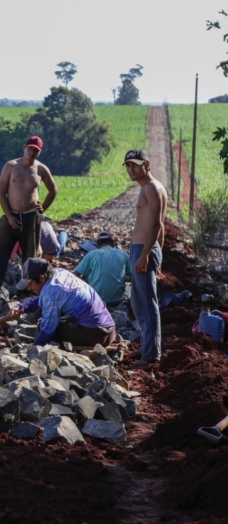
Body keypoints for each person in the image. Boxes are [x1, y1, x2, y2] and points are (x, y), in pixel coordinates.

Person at [0, 136, 58, 297]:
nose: (32, 152)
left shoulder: (41, 169)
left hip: (31, 218)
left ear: (39, 152)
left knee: (30, 256)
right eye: (30, 148)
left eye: (36, 150)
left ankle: (26, 292)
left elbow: (53, 190)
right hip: (11, 216)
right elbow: (2, 193)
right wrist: (9, 217)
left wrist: (43, 207)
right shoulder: (11, 166)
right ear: (24, 147)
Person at [124, 149, 168, 368]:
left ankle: (151, 355)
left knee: (148, 304)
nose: (131, 169)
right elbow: (159, 227)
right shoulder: (148, 188)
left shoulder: (151, 188)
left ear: (146, 164)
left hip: (144, 250)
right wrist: (157, 256)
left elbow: (157, 225)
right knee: (139, 302)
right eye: (128, 165)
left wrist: (146, 255)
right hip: (143, 249)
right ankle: (146, 345)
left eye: (135, 164)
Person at [11, 258, 116, 347]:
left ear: (41, 278)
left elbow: (48, 330)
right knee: (43, 312)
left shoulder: (51, 293)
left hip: (97, 336)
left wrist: (34, 349)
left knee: (41, 319)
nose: (29, 288)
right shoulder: (59, 272)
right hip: (108, 329)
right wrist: (22, 307)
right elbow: (44, 300)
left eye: (30, 284)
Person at [74, 230, 131, 307]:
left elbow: (76, 275)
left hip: (96, 300)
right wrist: (120, 278)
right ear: (112, 243)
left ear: (97, 244)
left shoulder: (92, 254)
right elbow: (133, 277)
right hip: (117, 300)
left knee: (86, 277)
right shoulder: (123, 254)